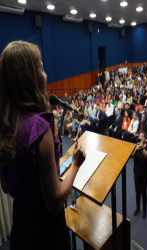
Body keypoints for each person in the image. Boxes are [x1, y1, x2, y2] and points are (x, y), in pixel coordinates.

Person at [0, 41, 85, 250]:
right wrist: (75, 164)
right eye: (42, 68)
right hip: (47, 232)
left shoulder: (4, 124)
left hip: (20, 226)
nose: (46, 75)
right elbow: (55, 203)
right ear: (30, 79)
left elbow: (5, 186)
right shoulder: (38, 127)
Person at [132, 132, 147, 219]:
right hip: (136, 173)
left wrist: (142, 148)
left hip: (144, 174)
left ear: (144, 138)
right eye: (140, 136)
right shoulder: (136, 146)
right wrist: (136, 148)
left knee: (143, 192)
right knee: (137, 192)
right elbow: (132, 155)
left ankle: (144, 210)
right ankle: (138, 208)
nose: (141, 137)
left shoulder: (146, 147)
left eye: (142, 136)